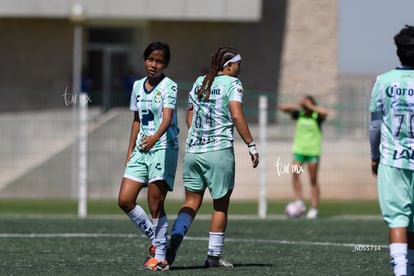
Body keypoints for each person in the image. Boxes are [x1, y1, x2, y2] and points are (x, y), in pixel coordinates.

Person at [166, 46, 259, 268]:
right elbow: (236, 116)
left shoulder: (200, 82)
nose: (239, 68)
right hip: (218, 152)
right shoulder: (233, 84)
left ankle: (173, 243)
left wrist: (200, 136)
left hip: (194, 151)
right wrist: (251, 145)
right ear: (228, 66)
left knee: (190, 202)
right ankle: (213, 257)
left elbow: (189, 117)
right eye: (238, 64)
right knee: (220, 206)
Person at [117, 41, 179, 272]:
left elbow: (167, 117)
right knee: (125, 199)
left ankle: (161, 258)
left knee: (155, 202)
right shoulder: (137, 86)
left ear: (165, 64)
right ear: (145, 60)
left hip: (163, 147)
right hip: (141, 149)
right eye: (151, 59)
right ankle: (157, 239)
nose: (154, 65)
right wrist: (130, 149)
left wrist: (153, 139)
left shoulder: (169, 86)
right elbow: (136, 120)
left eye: (159, 61)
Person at [370, 25, 414, 276]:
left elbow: (375, 125)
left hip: (393, 159)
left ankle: (401, 271)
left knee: (398, 218)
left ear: (398, 51)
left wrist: (374, 156)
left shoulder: (384, 80)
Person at [278, 95, 328, 219]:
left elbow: (325, 112)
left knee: (313, 179)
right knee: (295, 174)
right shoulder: (299, 114)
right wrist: (298, 104)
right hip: (299, 151)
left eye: (308, 104)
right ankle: (299, 200)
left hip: (313, 152)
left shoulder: (317, 116)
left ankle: (314, 208)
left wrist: (311, 106)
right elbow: (281, 108)